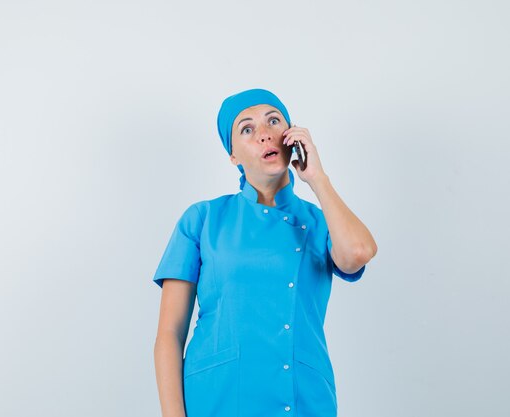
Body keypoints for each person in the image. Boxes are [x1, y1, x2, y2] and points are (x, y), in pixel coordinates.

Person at [152, 88, 377, 417]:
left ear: (291, 135)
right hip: (218, 397)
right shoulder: (203, 219)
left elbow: (358, 252)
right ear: (233, 156)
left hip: (302, 399)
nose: (264, 134)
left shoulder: (319, 221)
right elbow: (170, 333)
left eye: (274, 121)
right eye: (247, 129)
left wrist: (317, 178)